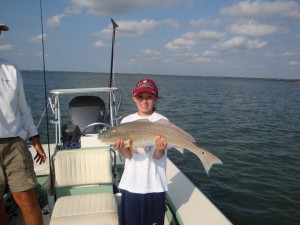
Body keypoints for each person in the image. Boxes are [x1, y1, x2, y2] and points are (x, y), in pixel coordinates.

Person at [0, 23, 46, 225]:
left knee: (27, 199)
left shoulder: (11, 69)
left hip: (14, 144)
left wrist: (35, 137)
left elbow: (24, 109)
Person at [113, 79, 169, 225]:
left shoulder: (162, 121)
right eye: (140, 97)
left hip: (155, 186)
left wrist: (160, 148)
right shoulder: (127, 121)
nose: (144, 101)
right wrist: (121, 148)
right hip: (131, 185)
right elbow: (129, 155)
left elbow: (158, 157)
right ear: (134, 98)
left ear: (155, 99)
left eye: (149, 97)